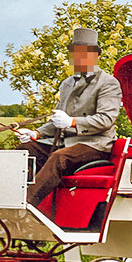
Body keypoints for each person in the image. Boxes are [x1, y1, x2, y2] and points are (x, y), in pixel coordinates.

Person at [16, 28, 123, 208]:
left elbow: (105, 120)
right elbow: (57, 119)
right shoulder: (67, 83)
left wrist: (72, 122)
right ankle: (10, 197)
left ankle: (27, 205)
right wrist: (36, 133)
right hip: (66, 142)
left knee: (60, 158)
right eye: (75, 53)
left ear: (94, 56)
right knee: (25, 150)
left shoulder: (108, 83)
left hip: (95, 144)